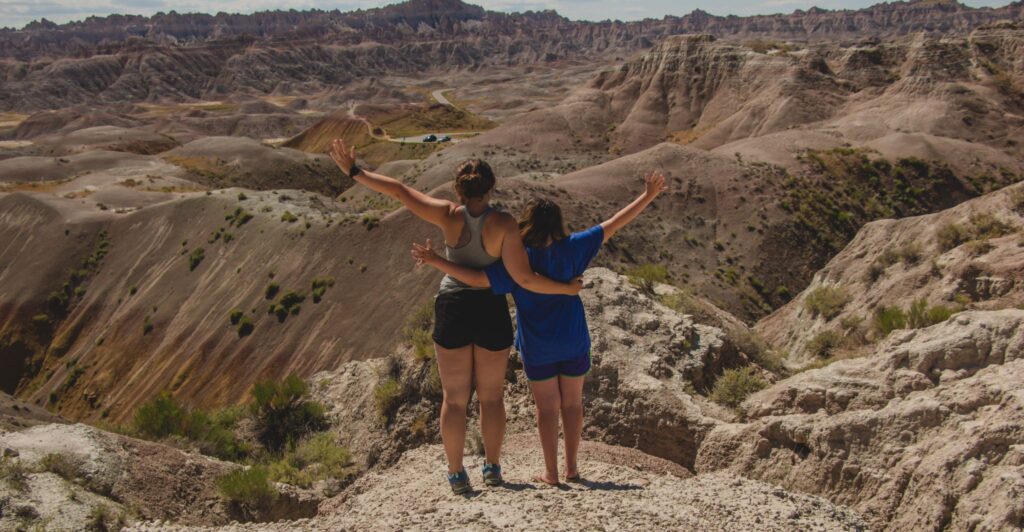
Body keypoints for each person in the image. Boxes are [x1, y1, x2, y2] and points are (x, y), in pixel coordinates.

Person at [328, 139, 582, 494]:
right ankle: (492, 468)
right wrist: (566, 289)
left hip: (453, 307)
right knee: (491, 397)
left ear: (458, 191)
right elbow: (524, 278)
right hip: (490, 307)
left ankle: (456, 474)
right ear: (492, 188)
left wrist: (354, 171)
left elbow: (400, 192)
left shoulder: (446, 215)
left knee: (454, 398)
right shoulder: (505, 225)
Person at [412, 170, 667, 485]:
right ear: (558, 223)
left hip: (538, 347)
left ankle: (551, 473)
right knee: (573, 404)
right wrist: (648, 196)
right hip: (573, 339)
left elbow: (478, 279)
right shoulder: (575, 247)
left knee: (547, 409)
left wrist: (438, 260)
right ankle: (572, 469)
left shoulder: (516, 259)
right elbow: (614, 223)